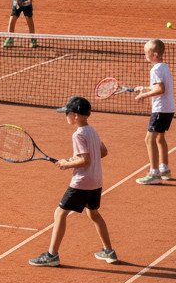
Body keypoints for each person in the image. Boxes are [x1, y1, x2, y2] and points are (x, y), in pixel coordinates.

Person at [28, 96, 117, 267]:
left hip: (82, 182)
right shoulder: (92, 131)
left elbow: (85, 161)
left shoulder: (78, 134)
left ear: (76, 115)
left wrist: (67, 164)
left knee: (60, 213)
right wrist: (73, 159)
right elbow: (103, 152)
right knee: (94, 214)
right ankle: (108, 251)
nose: (65, 116)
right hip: (96, 181)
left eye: (67, 113)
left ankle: (51, 255)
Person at [134, 39, 175, 185]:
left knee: (149, 139)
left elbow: (160, 89)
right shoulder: (164, 67)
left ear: (155, 54)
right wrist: (144, 88)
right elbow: (158, 87)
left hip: (160, 110)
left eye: (147, 52)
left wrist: (143, 95)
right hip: (168, 109)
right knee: (159, 138)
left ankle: (154, 173)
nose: (145, 54)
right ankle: (164, 169)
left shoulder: (155, 69)